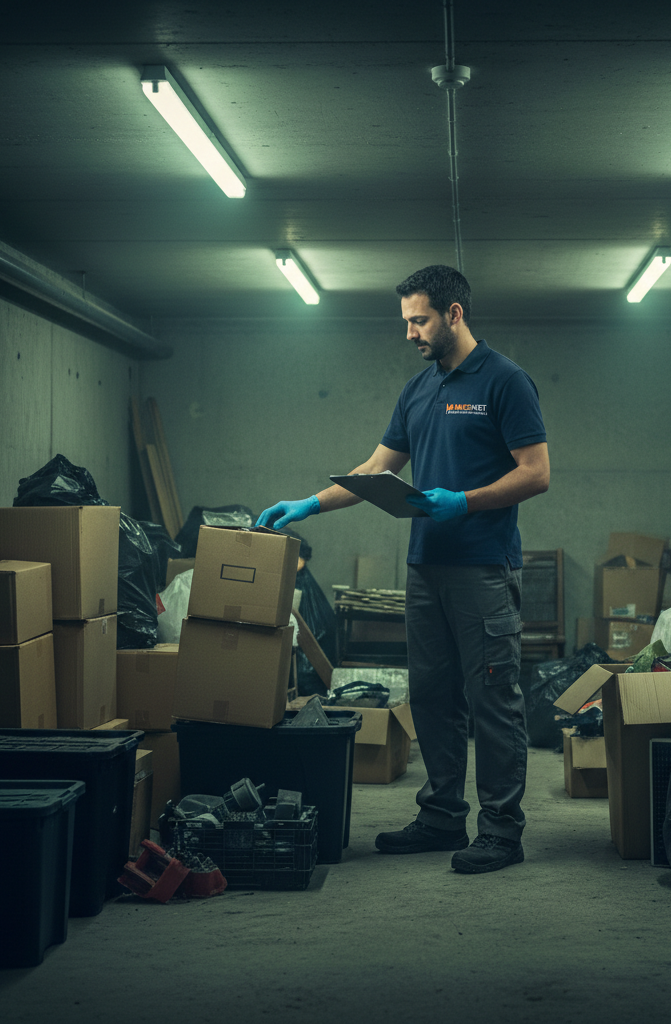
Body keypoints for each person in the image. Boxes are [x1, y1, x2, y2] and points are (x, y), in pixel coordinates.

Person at [256, 264, 549, 874]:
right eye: (406, 321)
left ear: (454, 314)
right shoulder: (418, 390)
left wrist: (462, 501)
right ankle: (443, 816)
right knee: (434, 696)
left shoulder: (505, 380)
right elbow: (376, 470)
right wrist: (308, 504)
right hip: (426, 567)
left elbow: (535, 472)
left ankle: (501, 831)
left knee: (492, 697)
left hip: (483, 568)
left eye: (419, 320)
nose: (410, 332)